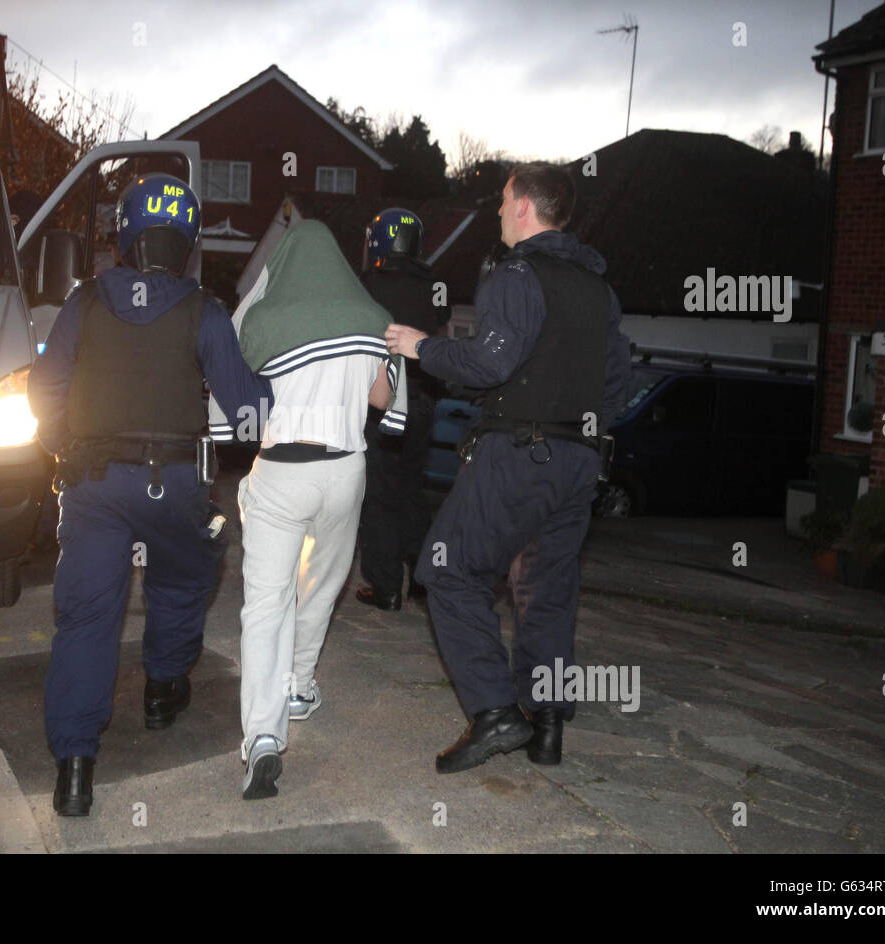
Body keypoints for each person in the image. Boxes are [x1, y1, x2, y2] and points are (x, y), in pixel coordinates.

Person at [27, 173, 272, 816]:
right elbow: (246, 410)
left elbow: (42, 388)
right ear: (187, 242)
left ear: (124, 237)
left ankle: (75, 770)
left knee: (87, 616)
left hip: (95, 484)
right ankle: (164, 688)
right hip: (177, 484)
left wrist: (63, 447)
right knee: (184, 581)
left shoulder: (82, 301)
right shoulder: (207, 310)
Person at [385, 162, 631, 772]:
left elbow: (491, 361)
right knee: (547, 592)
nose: (496, 212)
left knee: (447, 569)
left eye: (501, 200)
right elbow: (618, 385)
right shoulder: (599, 289)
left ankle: (495, 713)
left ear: (523, 205)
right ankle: (546, 726)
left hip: (521, 453)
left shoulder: (516, 273)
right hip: (579, 462)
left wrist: (422, 347)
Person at [209, 220, 407, 799]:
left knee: (266, 605)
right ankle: (299, 685)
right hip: (345, 468)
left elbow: (232, 387)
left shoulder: (265, 318)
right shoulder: (370, 317)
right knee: (320, 587)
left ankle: (263, 738)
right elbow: (383, 399)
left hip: (282, 470)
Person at [355, 208, 448, 610]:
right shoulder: (437, 285)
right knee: (411, 491)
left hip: (381, 402)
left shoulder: (365, 284)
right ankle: (425, 578)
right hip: (423, 405)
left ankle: (385, 586)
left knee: (378, 495)